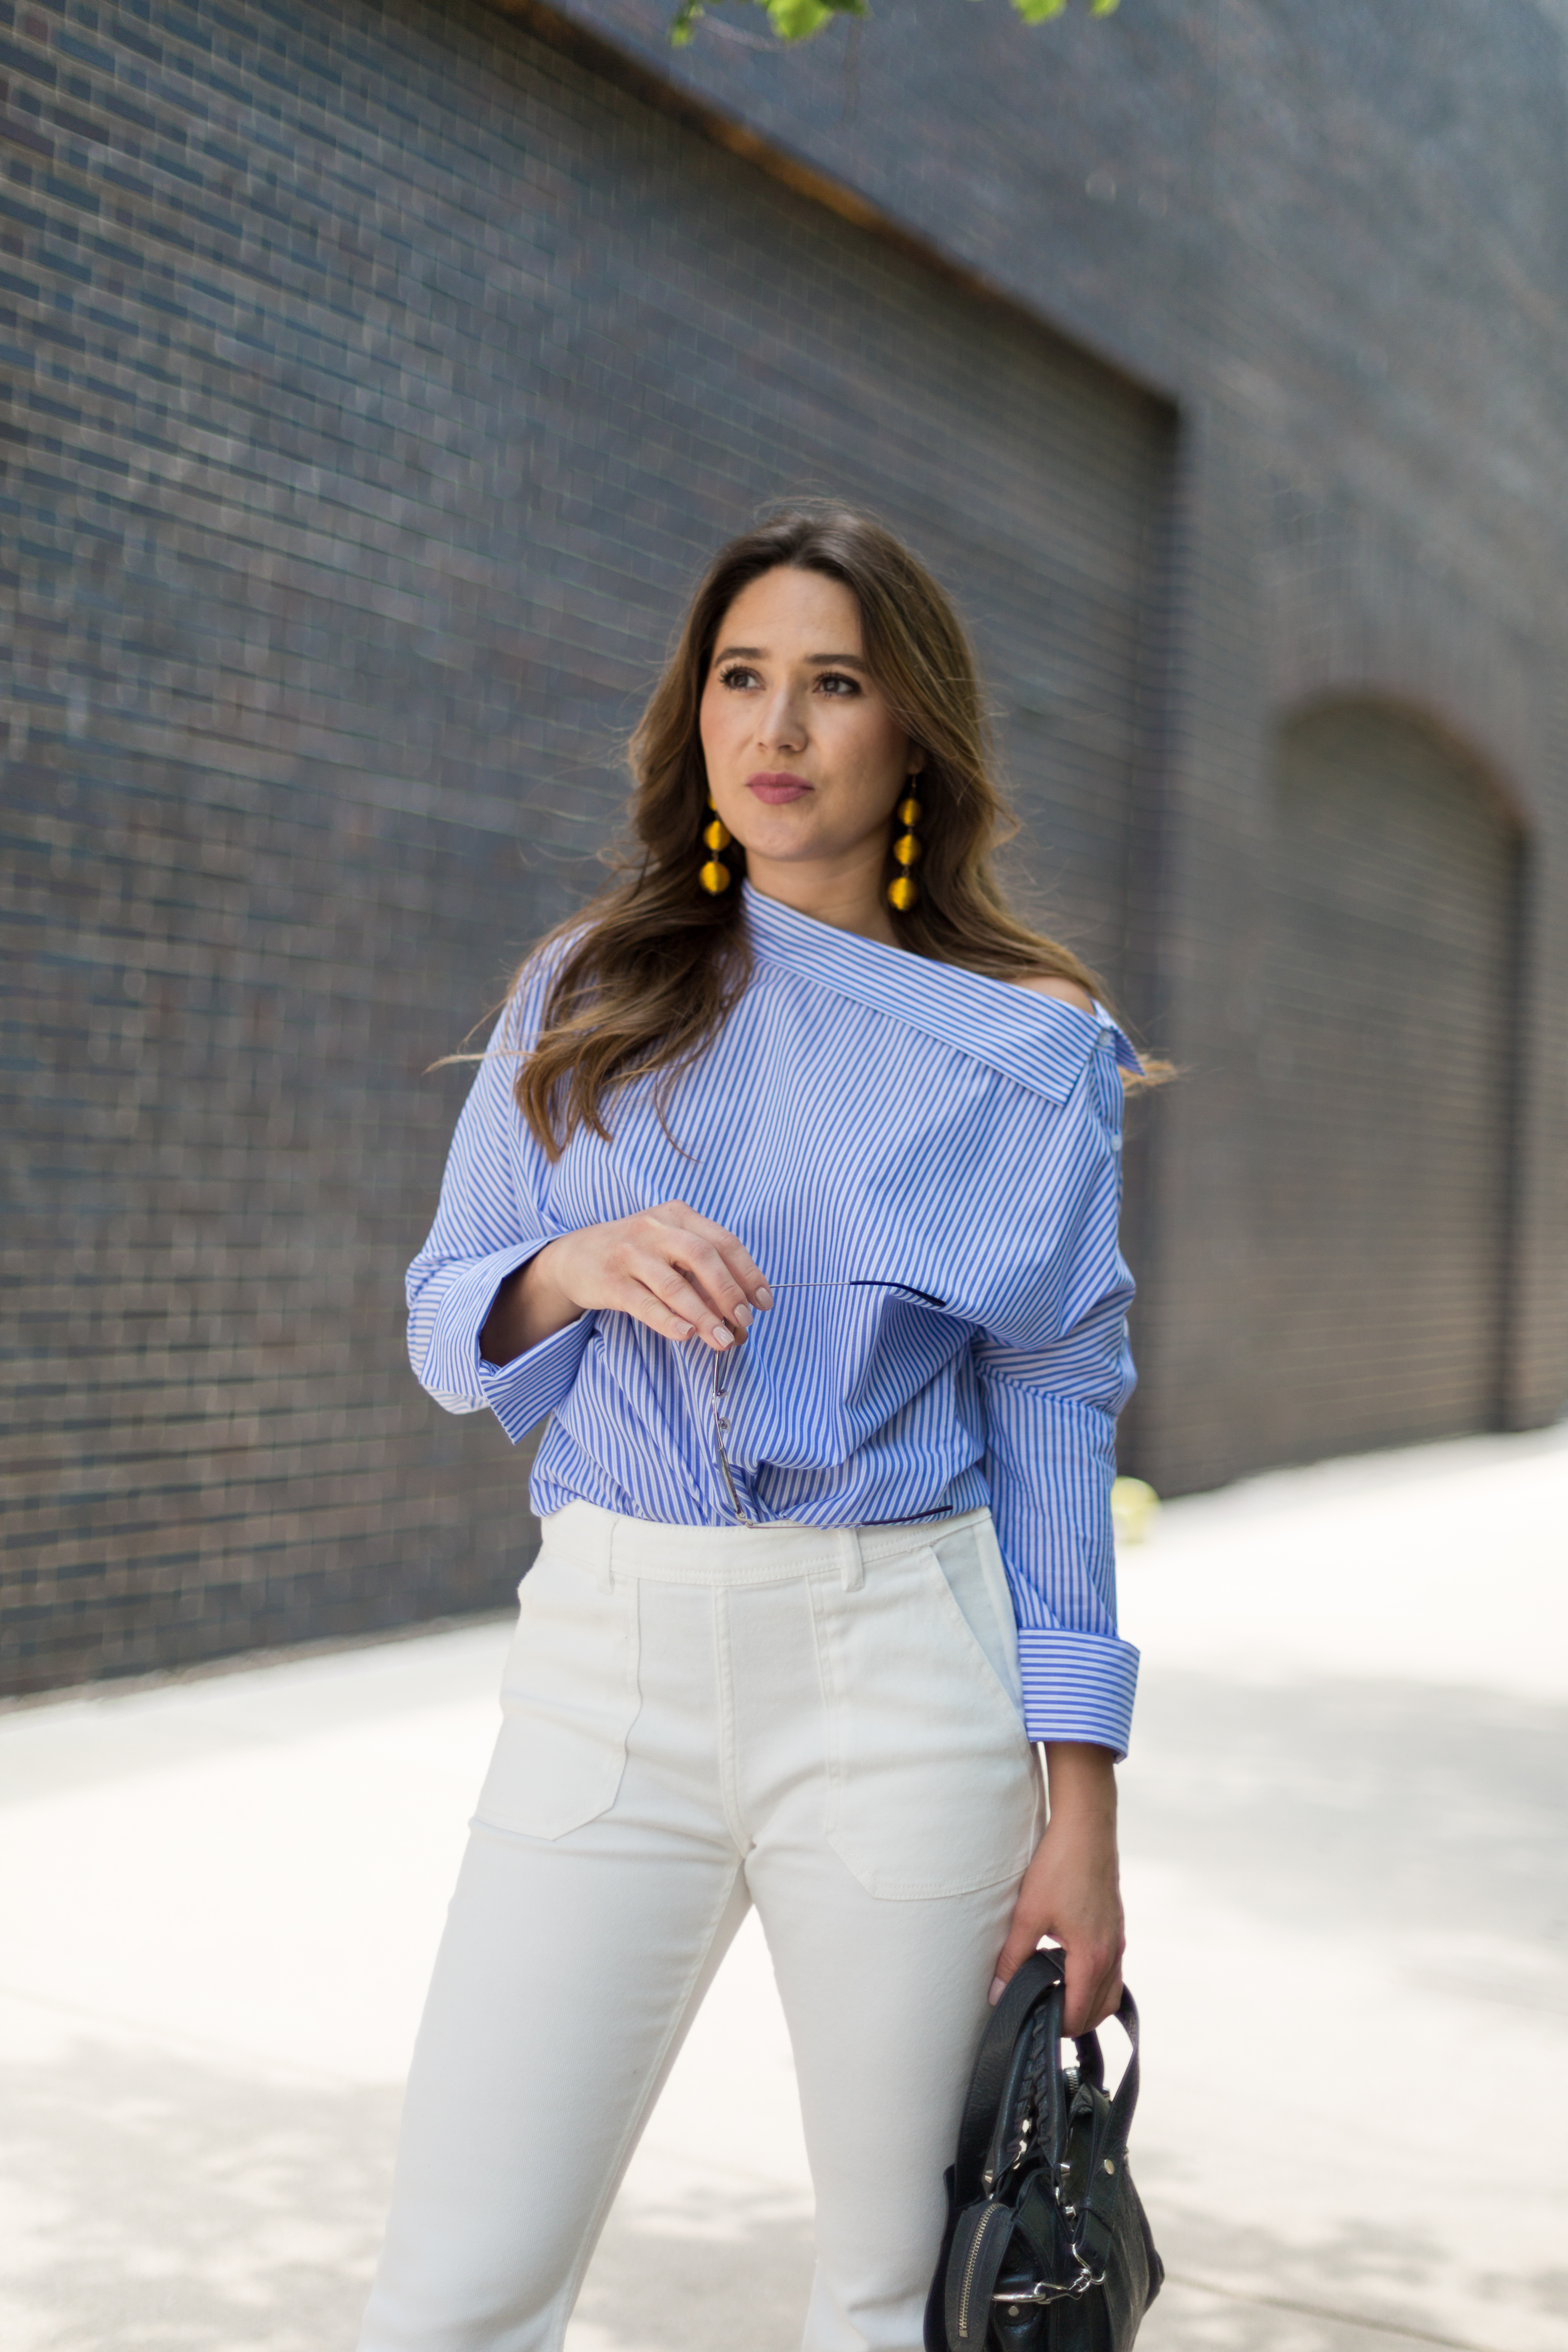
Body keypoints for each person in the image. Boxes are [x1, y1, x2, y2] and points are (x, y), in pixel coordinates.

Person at [359, 505, 1151, 2352]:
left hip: (893, 1664)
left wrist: (1083, 1812)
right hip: (606, 1665)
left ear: (910, 738)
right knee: (452, 2291)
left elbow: (1052, 1410)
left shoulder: (1021, 1044)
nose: (776, 727)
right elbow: (437, 1316)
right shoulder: (591, 986)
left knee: (895, 2299)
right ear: (694, 717)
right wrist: (571, 1264)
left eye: (832, 684)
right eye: (741, 679)